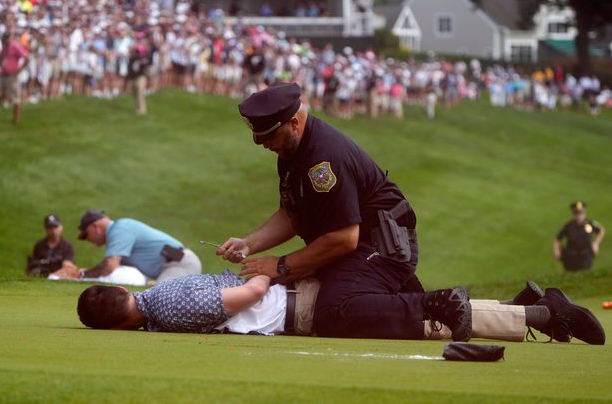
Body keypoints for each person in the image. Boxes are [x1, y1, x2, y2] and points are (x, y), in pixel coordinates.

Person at [216, 82, 463, 341]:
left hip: (381, 245)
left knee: (333, 310)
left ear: (294, 123)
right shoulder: (290, 152)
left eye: (269, 137)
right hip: (363, 245)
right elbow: (291, 214)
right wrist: (248, 244)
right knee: (328, 293)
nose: (264, 144)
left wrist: (281, 265)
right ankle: (441, 304)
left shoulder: (324, 159)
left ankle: (435, 305)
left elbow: (344, 238)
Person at [77, 274, 605, 345]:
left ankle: (538, 316)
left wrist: (268, 268)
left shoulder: (167, 303)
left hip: (296, 308)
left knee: (416, 319)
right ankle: (532, 308)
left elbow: (250, 294)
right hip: (297, 308)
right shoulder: (156, 301)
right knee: (413, 310)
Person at [76, 209, 202, 282]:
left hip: (180, 262)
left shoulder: (119, 228)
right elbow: (108, 264)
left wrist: (83, 275)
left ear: (95, 227)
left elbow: (110, 266)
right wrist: (85, 273)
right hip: (176, 263)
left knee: (157, 298)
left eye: (86, 235)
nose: (88, 240)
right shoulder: (119, 231)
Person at [0, 31, 30, 124]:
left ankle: (15, 119)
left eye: (7, 39)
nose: (5, 40)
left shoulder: (15, 46)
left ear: (10, 38)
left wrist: (19, 70)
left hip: (12, 76)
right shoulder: (4, 47)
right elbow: (0, 57)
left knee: (15, 98)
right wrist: (1, 63)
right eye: (4, 39)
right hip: (3, 75)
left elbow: (26, 58)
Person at [554, 201, 606, 272]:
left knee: (585, 274)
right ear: (573, 214)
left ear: (584, 213)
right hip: (571, 256)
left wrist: (596, 243)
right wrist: (557, 251)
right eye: (576, 214)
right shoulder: (569, 225)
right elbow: (557, 238)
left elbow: (601, 230)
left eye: (580, 213)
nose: (578, 216)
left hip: (585, 255)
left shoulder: (590, 223)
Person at [126, 43, 151, 115]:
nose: (137, 53)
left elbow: (147, 62)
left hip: (141, 77)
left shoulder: (143, 59)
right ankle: (137, 108)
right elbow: (130, 69)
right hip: (133, 78)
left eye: (138, 51)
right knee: (135, 94)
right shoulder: (132, 59)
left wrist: (143, 62)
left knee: (140, 93)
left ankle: (142, 110)